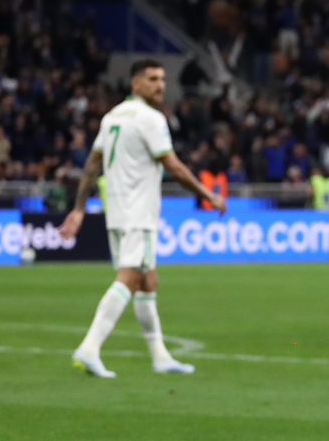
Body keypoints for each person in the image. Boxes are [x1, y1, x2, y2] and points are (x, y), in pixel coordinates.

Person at [59, 59, 226, 378]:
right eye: (152, 79)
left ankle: (160, 356)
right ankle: (90, 347)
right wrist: (209, 195)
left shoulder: (112, 117)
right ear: (135, 83)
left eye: (162, 79)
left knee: (148, 279)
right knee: (132, 277)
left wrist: (80, 208)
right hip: (139, 212)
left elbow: (93, 164)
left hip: (117, 211)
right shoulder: (151, 118)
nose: (160, 85)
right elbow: (174, 168)